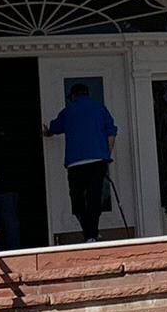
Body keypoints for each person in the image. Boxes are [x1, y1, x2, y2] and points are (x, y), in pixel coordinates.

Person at [42, 83, 117, 242]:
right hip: (97, 161)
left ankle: (89, 233)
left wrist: (47, 132)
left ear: (73, 96)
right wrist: (106, 156)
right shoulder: (100, 109)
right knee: (94, 198)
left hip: (75, 164)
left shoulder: (68, 112)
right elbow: (111, 133)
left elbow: (54, 127)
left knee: (77, 201)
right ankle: (92, 233)